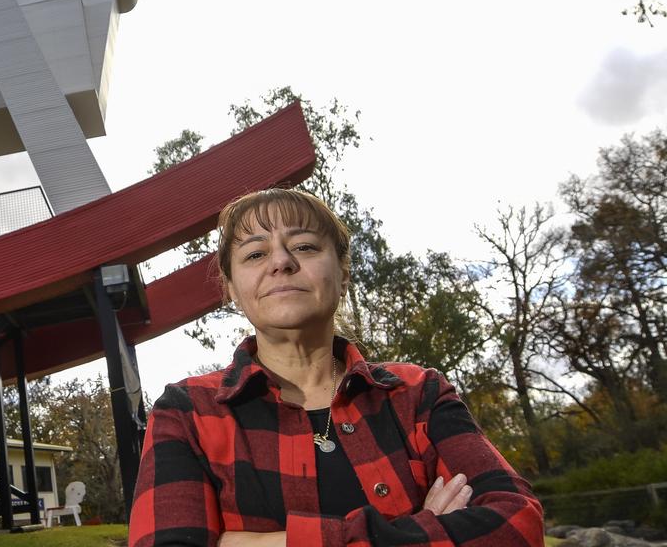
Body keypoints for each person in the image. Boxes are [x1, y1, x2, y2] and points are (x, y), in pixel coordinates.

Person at [128, 189, 543, 546]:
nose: (281, 262)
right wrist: (421, 529)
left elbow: (517, 526)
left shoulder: (417, 393)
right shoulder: (187, 412)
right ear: (233, 289)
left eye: (305, 247)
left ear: (343, 273)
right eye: (255, 253)